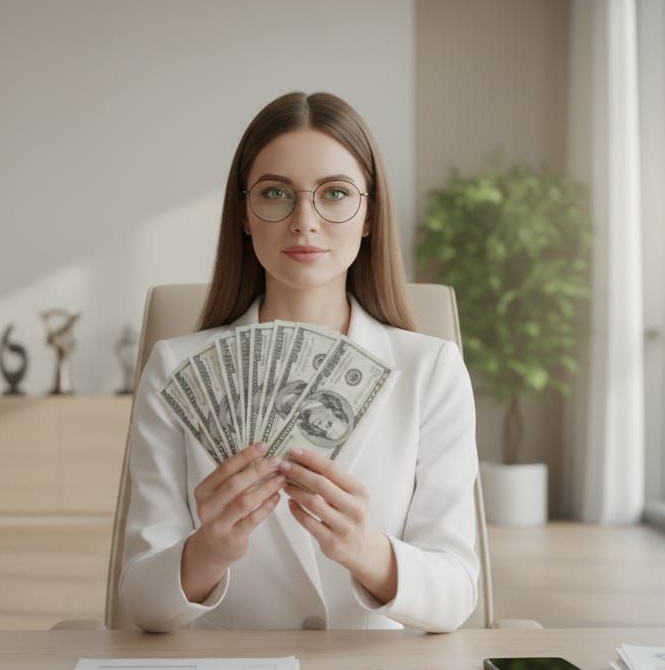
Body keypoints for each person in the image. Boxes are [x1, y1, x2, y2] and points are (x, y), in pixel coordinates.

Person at [119, 92, 480, 633]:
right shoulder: (174, 370)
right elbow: (141, 603)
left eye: (335, 194)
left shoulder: (431, 371)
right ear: (244, 214)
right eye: (275, 193)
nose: (304, 221)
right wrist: (208, 552)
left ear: (368, 217)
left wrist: (366, 550)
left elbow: (455, 596)